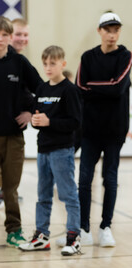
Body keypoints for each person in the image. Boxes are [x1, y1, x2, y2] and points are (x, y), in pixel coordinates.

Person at [0, 16, 43, 249]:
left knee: (11, 189)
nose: (1, 39)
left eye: (6, 35)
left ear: (9, 37)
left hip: (15, 136)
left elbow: (42, 88)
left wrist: (30, 111)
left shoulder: (20, 62)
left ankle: (14, 230)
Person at [66, 11, 131, 248]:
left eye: (116, 30)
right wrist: (102, 88)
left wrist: (94, 88)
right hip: (89, 130)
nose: (112, 34)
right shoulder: (88, 57)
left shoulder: (126, 56)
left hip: (115, 130)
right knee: (84, 179)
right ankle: (84, 227)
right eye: (107, 29)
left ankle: (106, 226)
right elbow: (80, 87)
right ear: (99, 31)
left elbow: (118, 87)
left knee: (110, 179)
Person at [18, 45, 82, 256]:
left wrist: (49, 122)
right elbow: (39, 119)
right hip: (43, 150)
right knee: (42, 195)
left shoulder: (69, 90)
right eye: (45, 63)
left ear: (62, 64)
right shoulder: (43, 89)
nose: (48, 67)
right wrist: (37, 122)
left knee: (68, 195)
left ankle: (73, 237)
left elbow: (74, 122)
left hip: (62, 151)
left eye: (52, 63)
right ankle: (42, 236)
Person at [0, 17, 29, 208]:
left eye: (25, 34)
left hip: (12, 132)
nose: (22, 38)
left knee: (10, 182)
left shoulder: (20, 62)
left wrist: (30, 111)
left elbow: (33, 90)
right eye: (19, 34)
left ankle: (13, 224)